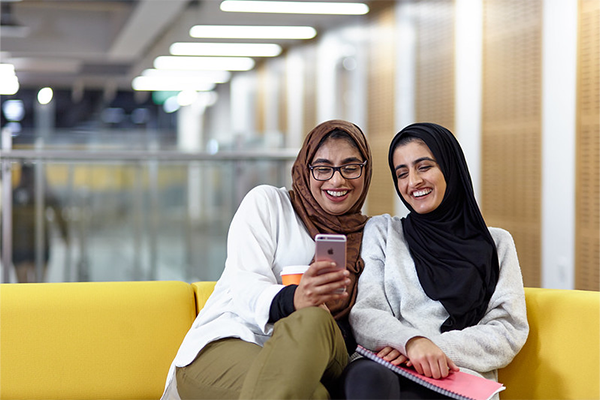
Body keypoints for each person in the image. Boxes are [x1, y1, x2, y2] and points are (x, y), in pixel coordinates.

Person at [161, 119, 372, 400]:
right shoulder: (269, 204)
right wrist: (295, 299)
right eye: (322, 168)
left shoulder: (373, 234)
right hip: (233, 339)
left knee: (314, 319)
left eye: (350, 167)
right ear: (304, 168)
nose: (337, 179)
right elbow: (244, 282)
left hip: (326, 353)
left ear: (366, 171)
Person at [340, 123, 529, 400]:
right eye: (401, 173)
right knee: (368, 379)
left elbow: (507, 331)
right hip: (386, 369)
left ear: (450, 167)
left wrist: (430, 348)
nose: (412, 182)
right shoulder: (383, 232)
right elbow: (366, 313)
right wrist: (410, 342)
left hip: (455, 375)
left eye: (424, 167)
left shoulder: (497, 244)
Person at [10, 162, 68, 283]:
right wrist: (64, 235)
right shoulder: (17, 193)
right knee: (32, 286)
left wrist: (65, 235)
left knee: (32, 287)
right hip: (23, 244)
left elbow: (59, 214)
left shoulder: (42, 193)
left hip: (33, 243)